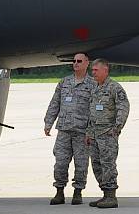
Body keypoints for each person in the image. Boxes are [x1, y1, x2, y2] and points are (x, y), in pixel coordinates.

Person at [44, 53, 95, 205]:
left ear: (87, 63)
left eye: (79, 61)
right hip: (64, 131)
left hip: (82, 132)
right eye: (74, 61)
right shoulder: (64, 82)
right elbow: (55, 103)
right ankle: (59, 191)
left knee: (81, 164)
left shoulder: (92, 85)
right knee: (60, 162)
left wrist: (92, 131)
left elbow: (95, 110)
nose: (76, 63)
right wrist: (48, 122)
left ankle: (78, 192)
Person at [85, 59, 129, 209]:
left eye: (96, 70)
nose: (93, 73)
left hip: (107, 135)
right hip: (95, 135)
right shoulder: (95, 88)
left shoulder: (114, 88)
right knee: (97, 165)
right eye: (93, 70)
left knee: (108, 165)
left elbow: (123, 108)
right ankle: (105, 194)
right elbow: (91, 113)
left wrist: (116, 128)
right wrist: (89, 133)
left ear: (105, 70)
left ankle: (111, 197)